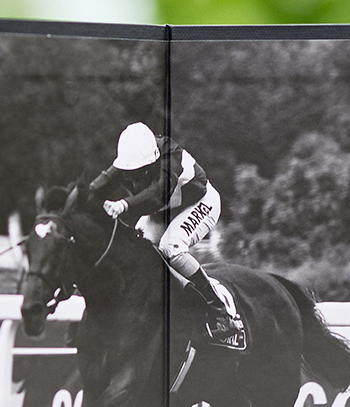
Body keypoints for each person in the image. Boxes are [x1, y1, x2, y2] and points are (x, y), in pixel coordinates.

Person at [87, 121, 240, 343]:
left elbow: (157, 193)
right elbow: (95, 189)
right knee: (137, 248)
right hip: (165, 211)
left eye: (138, 172)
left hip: (200, 203)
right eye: (127, 173)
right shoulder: (130, 159)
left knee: (171, 247)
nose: (133, 178)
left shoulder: (170, 158)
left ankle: (221, 311)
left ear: (152, 162)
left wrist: (124, 204)